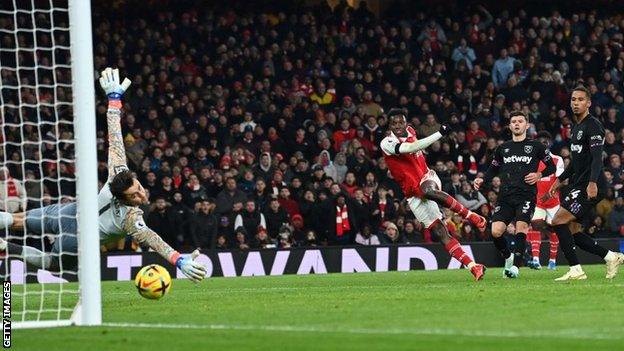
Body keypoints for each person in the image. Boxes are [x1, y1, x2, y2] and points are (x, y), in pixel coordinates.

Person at [0, 68, 206, 282]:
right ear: (123, 198)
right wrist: (179, 260)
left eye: (138, 188)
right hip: (77, 237)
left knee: (18, 221)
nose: (141, 194)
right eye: (135, 195)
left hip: (69, 213)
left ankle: (5, 245)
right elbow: (153, 239)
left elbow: (115, 133)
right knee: (51, 262)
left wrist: (114, 99)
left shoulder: (119, 171)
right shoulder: (129, 217)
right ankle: (7, 247)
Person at [380, 108, 486, 281]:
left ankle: (472, 216)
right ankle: (473, 267)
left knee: (428, 191)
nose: (398, 126)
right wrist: (440, 132)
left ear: (406, 123)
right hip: (411, 193)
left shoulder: (410, 131)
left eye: (401, 122)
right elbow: (414, 147)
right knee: (439, 232)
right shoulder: (387, 143)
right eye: (394, 123)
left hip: (426, 177)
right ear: (389, 125)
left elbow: (418, 149)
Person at [546, 86, 624, 281]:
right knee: (572, 230)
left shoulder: (593, 125)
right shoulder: (576, 128)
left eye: (580, 99)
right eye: (573, 99)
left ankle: (576, 269)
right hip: (578, 184)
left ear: (588, 103)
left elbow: (597, 159)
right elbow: (576, 162)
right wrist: (560, 179)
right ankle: (611, 257)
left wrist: (592, 183)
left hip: (591, 185)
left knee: (557, 221)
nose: (576, 103)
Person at [474, 110, 556, 278]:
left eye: (520, 121)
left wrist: (539, 175)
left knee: (522, 227)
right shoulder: (502, 148)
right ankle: (508, 257)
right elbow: (493, 169)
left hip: (526, 195)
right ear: (510, 126)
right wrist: (482, 180)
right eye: (514, 121)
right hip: (505, 196)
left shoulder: (536, 146)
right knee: (496, 231)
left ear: (527, 125)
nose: (517, 124)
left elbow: (551, 167)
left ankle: (515, 268)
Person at [526, 131, 564, 270]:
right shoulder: (532, 161)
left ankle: (552, 262)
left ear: (549, 143)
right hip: (538, 202)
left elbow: (561, 180)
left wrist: (551, 192)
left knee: (554, 230)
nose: (544, 144)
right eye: (541, 142)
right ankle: (536, 260)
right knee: (535, 225)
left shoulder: (557, 160)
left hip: (553, 202)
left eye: (546, 141)